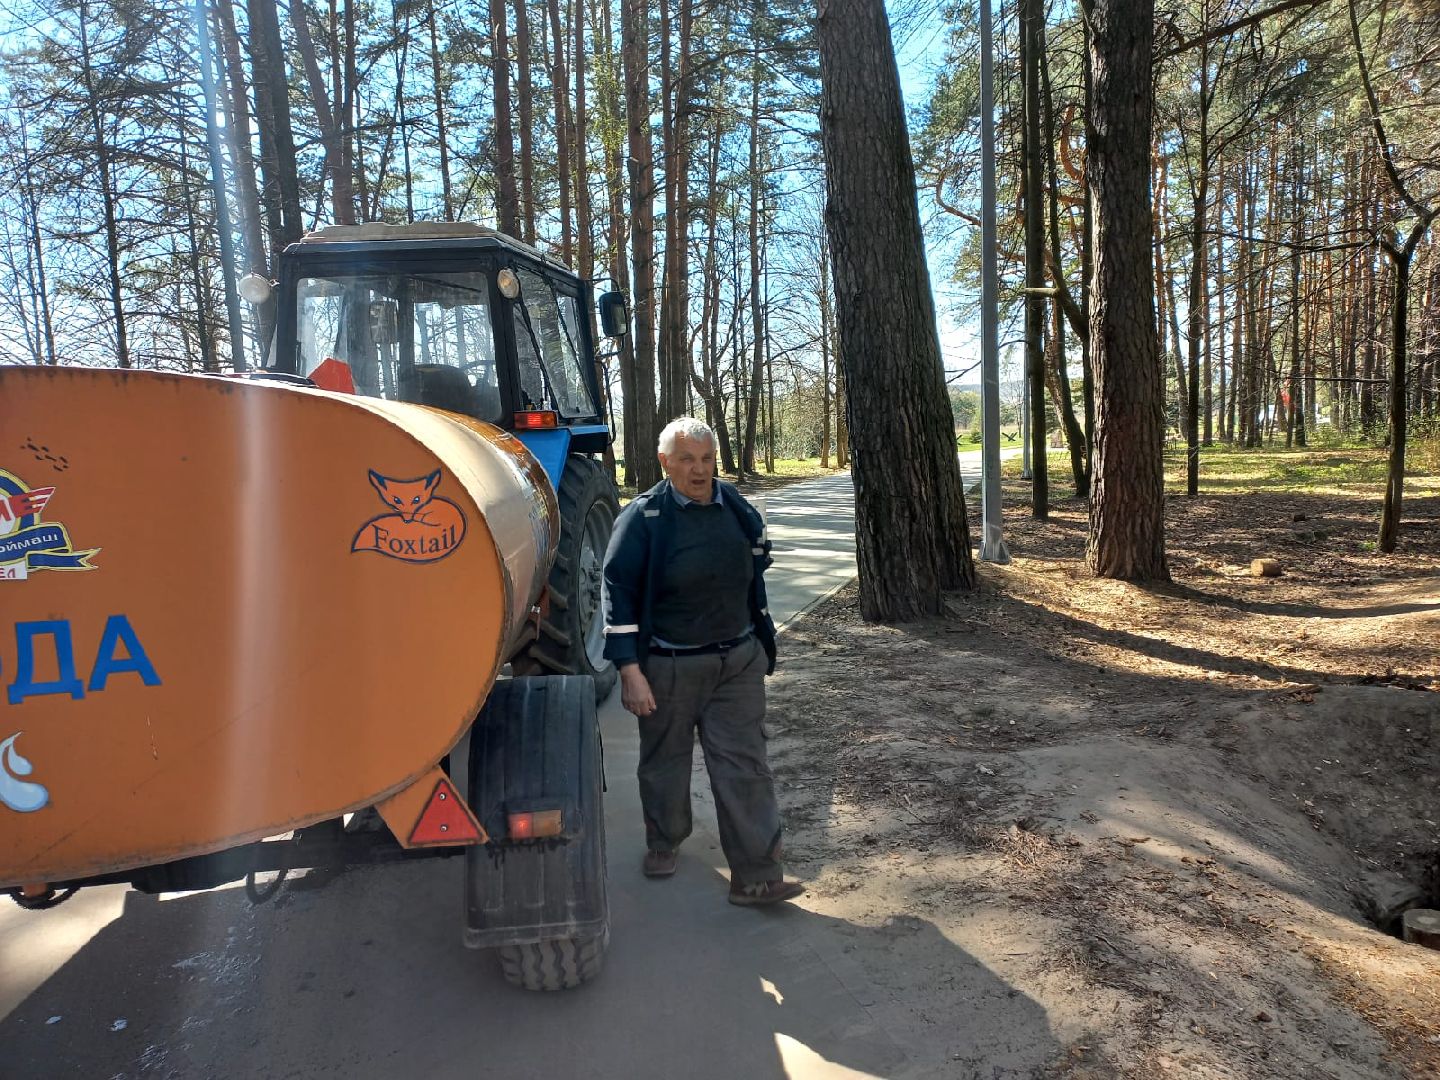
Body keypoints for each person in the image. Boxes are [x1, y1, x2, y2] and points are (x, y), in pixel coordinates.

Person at [602, 417, 804, 906]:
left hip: (736, 661)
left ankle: (757, 874)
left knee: (745, 765)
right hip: (668, 665)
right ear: (665, 462)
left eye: (707, 458)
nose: (699, 470)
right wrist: (630, 670)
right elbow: (618, 593)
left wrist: (755, 640)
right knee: (666, 763)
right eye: (687, 459)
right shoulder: (644, 518)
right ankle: (664, 839)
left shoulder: (733, 504)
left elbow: (756, 559)